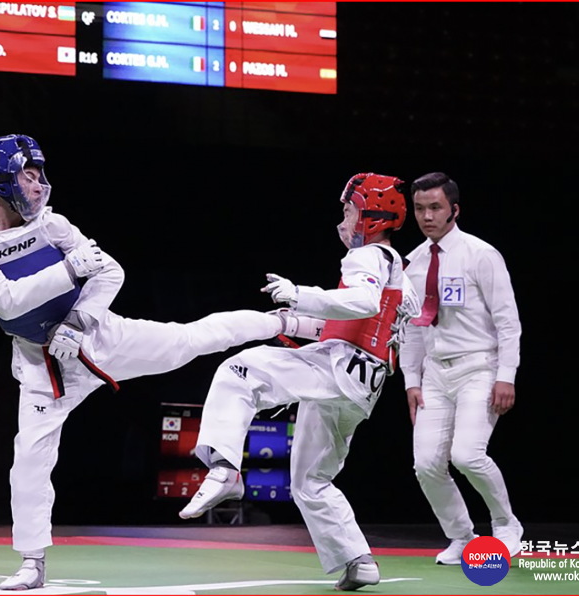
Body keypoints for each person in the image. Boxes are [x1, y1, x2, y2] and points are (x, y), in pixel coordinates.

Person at [0, 134, 293, 590]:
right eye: (27, 176)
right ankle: (32, 562)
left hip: (99, 337)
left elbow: (111, 271)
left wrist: (78, 320)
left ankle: (282, 322)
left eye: (39, 176)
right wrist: (69, 269)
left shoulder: (56, 226)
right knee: (29, 462)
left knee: (187, 339)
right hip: (42, 368)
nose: (37, 187)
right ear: (2, 181)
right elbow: (5, 303)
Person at [178, 173, 421, 591]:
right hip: (362, 390)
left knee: (240, 372)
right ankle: (357, 560)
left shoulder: (365, 257)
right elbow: (372, 317)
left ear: (373, 218)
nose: (343, 221)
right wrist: (295, 322)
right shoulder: (396, 268)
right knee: (311, 480)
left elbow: (362, 302)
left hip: (340, 369)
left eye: (349, 211)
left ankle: (224, 469)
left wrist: (299, 294)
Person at [398, 172, 523, 565]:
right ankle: (462, 537)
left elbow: (508, 321)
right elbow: (411, 328)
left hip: (479, 367)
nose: (426, 216)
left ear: (454, 209)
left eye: (434, 207)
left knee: (467, 455)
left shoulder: (480, 254)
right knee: (426, 465)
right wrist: (411, 381)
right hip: (435, 373)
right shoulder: (413, 264)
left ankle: (506, 526)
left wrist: (507, 375)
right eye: (419, 208)